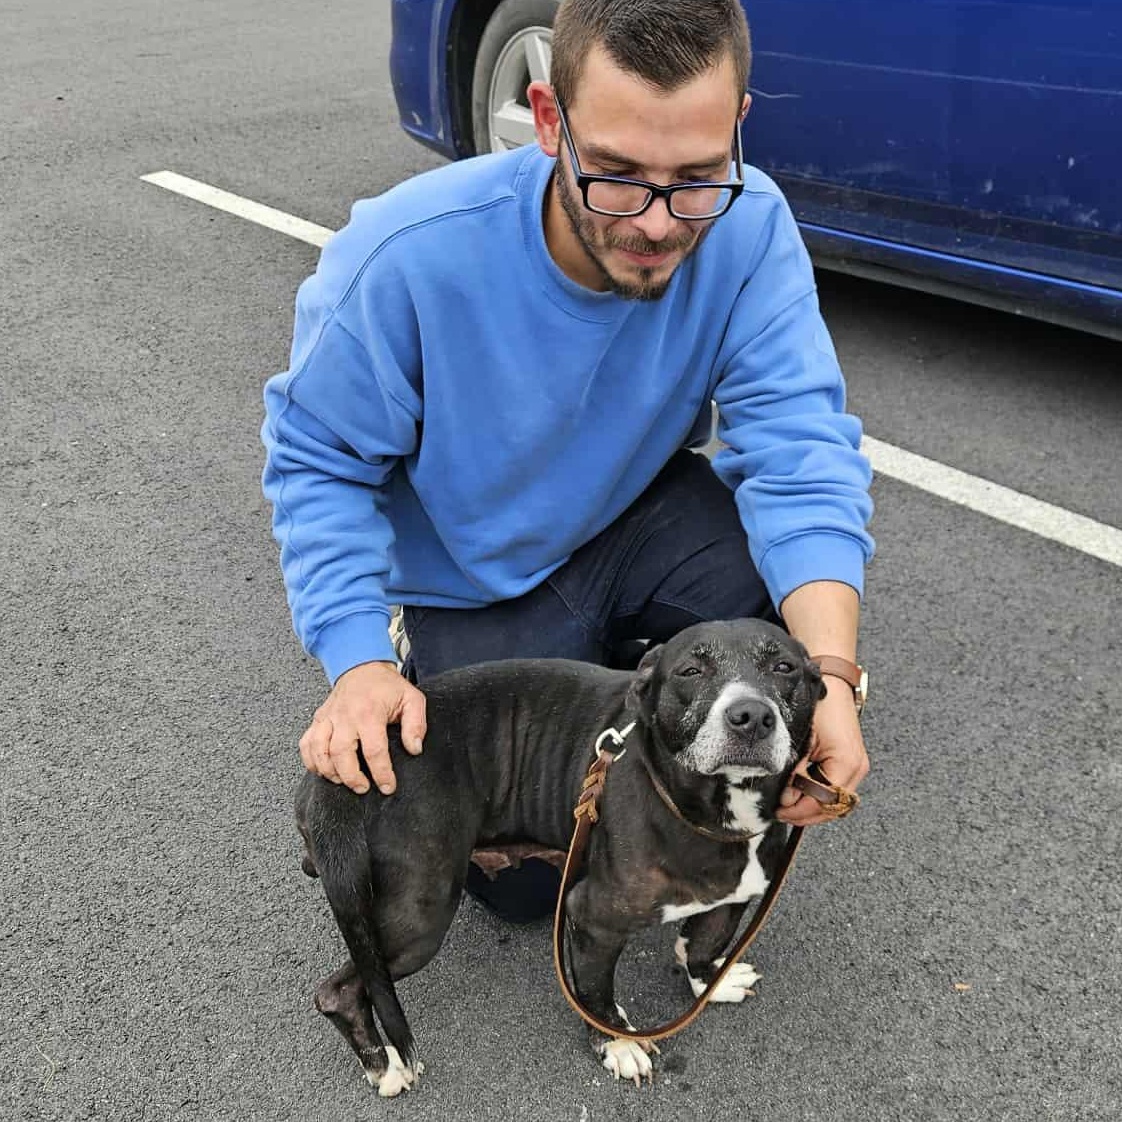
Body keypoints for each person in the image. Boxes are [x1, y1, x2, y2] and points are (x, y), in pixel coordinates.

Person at [262, 0, 874, 919]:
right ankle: (417, 644)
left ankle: (645, 698)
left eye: (697, 178)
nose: (661, 224)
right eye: (618, 176)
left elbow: (801, 449)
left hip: (632, 513)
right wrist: (356, 666)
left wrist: (831, 676)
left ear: (738, 124)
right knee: (535, 885)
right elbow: (318, 462)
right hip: (474, 573)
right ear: (549, 122)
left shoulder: (752, 226)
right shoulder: (403, 257)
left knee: (783, 613)